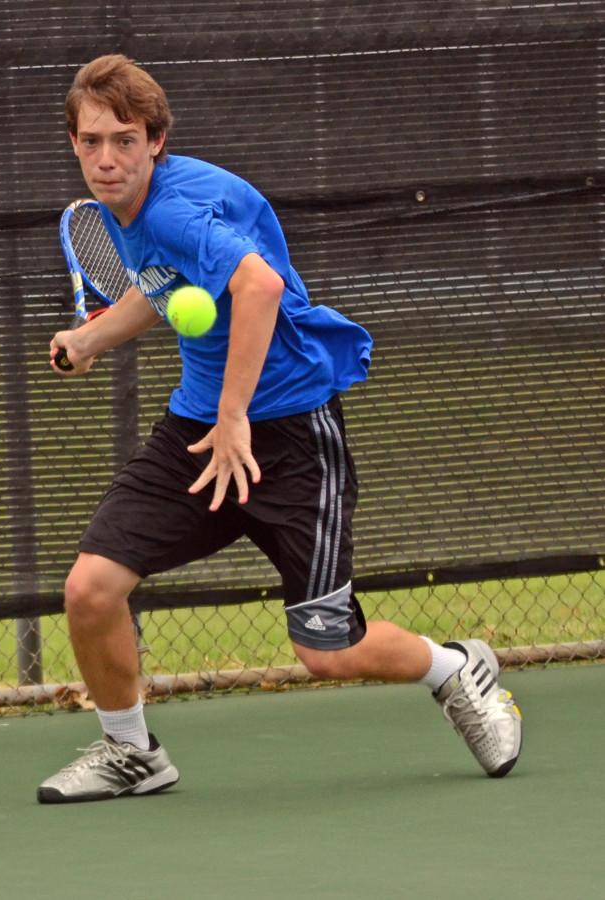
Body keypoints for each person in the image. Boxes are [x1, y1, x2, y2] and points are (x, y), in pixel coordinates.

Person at [40, 54, 522, 803]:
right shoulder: (123, 211)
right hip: (201, 429)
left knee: (327, 651)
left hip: (293, 432)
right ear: (73, 141)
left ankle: (455, 667)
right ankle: (131, 752)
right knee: (91, 590)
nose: (108, 159)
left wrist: (238, 416)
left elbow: (256, 286)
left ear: (156, 141)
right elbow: (166, 289)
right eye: (93, 141)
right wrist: (93, 340)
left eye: (126, 141)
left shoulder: (169, 207)